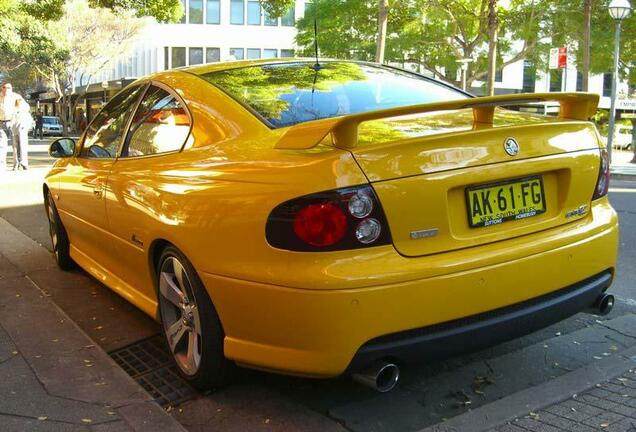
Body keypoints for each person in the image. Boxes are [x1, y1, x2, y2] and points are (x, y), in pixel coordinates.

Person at [0, 82, 24, 171]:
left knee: (16, 144)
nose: (6, 89)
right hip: (1, 123)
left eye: (9, 88)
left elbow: (25, 108)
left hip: (13, 123)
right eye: (4, 87)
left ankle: (18, 164)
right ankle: (1, 165)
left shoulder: (16, 97)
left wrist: (18, 112)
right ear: (2, 88)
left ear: (12, 89)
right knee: (1, 145)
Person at [11, 98, 32, 170]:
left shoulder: (25, 113)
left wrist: (28, 128)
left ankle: (24, 163)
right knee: (15, 147)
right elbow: (11, 121)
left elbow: (29, 121)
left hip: (23, 131)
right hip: (14, 131)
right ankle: (16, 164)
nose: (19, 103)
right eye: (17, 102)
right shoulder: (13, 111)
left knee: (23, 147)